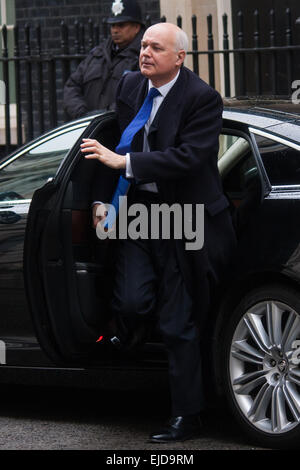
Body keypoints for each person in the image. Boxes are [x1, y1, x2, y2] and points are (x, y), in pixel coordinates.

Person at [80, 22, 237, 443]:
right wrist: (100, 201)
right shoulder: (131, 85)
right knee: (131, 302)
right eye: (144, 45)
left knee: (178, 320)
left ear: (179, 57)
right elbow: (110, 144)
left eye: (155, 47)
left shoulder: (201, 99)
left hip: (182, 216)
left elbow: (189, 157)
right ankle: (129, 344)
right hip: (138, 212)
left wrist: (125, 166)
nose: (145, 53)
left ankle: (188, 415)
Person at [63, 0, 145, 120]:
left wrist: (104, 117)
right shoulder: (97, 54)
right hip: (87, 127)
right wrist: (83, 115)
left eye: (121, 25)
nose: (115, 30)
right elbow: (72, 86)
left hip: (120, 129)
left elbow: (136, 95)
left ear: (136, 27)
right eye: (113, 25)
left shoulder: (144, 57)